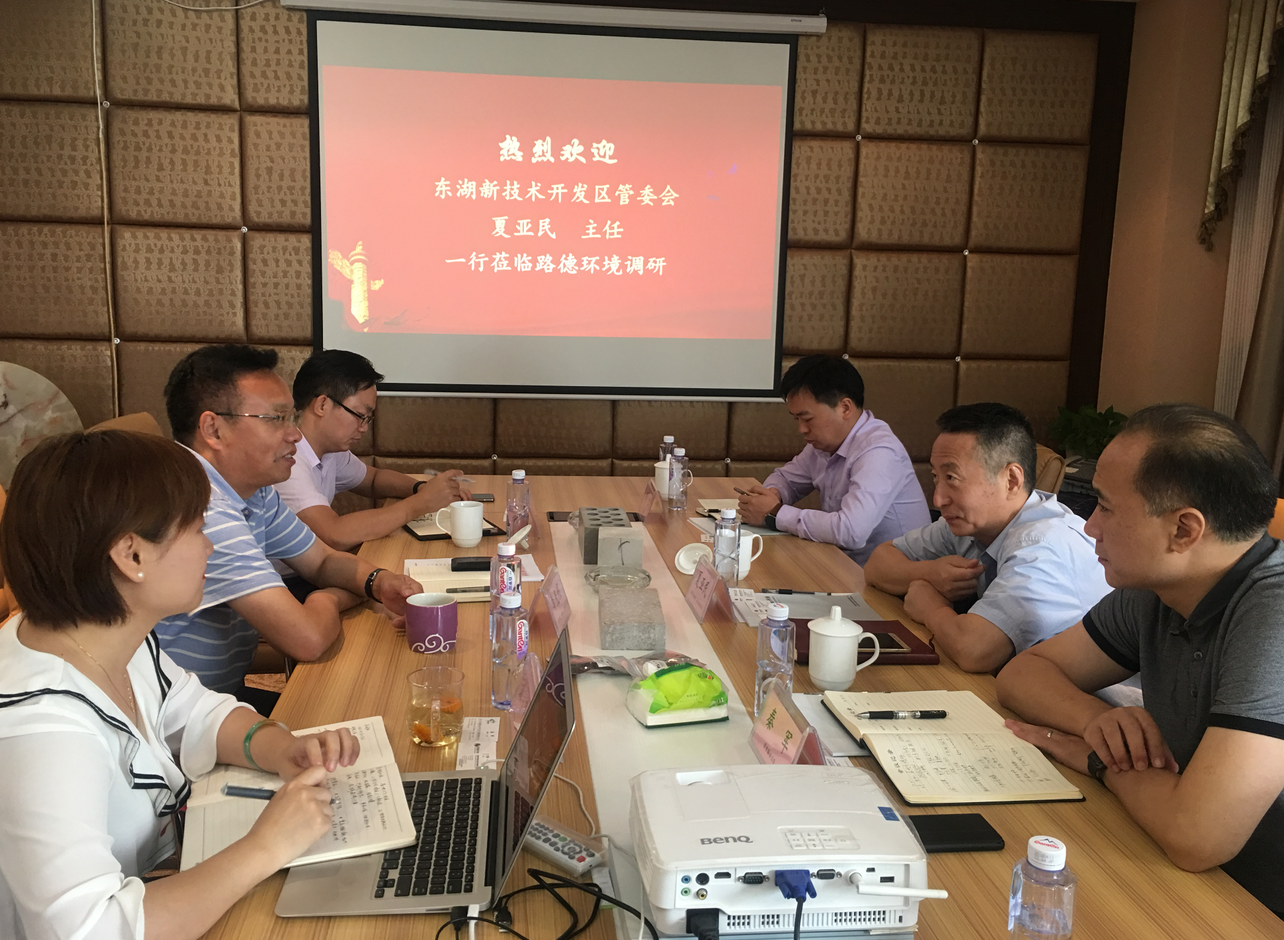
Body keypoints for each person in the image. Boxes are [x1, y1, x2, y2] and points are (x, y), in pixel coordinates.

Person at [0, 430, 359, 940]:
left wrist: (281, 748)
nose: (210, 545)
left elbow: (197, 713)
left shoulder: (103, 635)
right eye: (196, 529)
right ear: (131, 556)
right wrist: (266, 847)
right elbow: (91, 929)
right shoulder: (43, 731)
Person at [996, 404, 1284, 916]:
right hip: (1186, 872)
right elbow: (1023, 675)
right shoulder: (1160, 589)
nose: (1090, 526)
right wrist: (1098, 722)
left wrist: (1100, 760)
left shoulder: (1273, 612)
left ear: (1184, 531)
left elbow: (1197, 837)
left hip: (1254, 903)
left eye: (1105, 507)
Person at [155, 344, 422, 711]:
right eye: (275, 419)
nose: (294, 434)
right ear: (213, 429)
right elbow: (307, 639)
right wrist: (327, 598)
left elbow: (322, 561)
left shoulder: (253, 490)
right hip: (171, 725)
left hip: (215, 704)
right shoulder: (202, 509)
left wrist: (378, 581)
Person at [864, 403, 1110, 673]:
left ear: (1011, 480)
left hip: (1093, 696)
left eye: (952, 477)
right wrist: (930, 573)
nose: (938, 499)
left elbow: (976, 650)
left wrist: (932, 609)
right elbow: (877, 564)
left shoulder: (1043, 546)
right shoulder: (969, 524)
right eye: (936, 477)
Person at [736, 355, 929, 564]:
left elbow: (851, 531)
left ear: (845, 408)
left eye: (807, 419)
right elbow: (786, 478)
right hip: (842, 565)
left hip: (893, 577)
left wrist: (775, 512)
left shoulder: (879, 451)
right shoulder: (824, 444)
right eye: (796, 419)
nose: (801, 429)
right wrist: (773, 494)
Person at [276, 349, 469, 552]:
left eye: (367, 419)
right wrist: (421, 502)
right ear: (322, 405)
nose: (364, 428)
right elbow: (334, 534)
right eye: (360, 415)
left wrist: (422, 488)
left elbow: (373, 480)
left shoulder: (330, 451)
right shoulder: (288, 460)